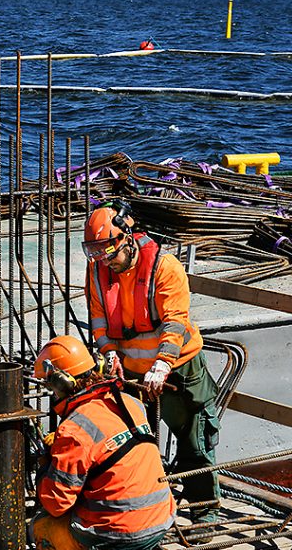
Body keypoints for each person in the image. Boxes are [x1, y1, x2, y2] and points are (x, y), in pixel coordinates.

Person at [83, 198, 220, 532]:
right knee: (134, 443)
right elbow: (98, 317)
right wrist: (109, 353)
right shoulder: (99, 269)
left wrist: (162, 365)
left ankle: (204, 514)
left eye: (108, 253)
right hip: (129, 370)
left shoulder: (164, 266)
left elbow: (175, 322)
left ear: (127, 239)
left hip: (179, 368)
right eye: (96, 254)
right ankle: (143, 509)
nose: (105, 262)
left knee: (194, 441)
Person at [30, 335, 175, 550]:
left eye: (50, 386)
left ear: (63, 382)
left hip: (116, 530)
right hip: (161, 520)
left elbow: (57, 504)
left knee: (40, 530)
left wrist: (46, 469)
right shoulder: (130, 403)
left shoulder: (75, 430)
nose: (51, 394)